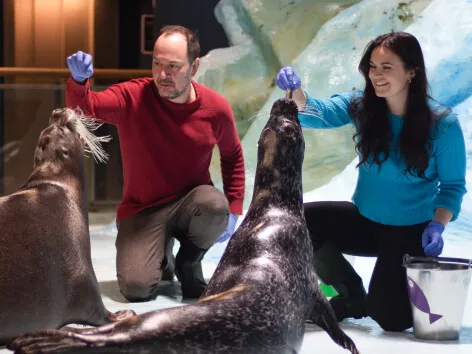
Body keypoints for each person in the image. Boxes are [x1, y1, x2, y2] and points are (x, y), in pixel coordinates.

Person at [275, 31, 467, 331]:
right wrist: (296, 91)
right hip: (366, 221)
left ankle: (389, 290)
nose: (376, 75)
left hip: (410, 231)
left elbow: (453, 187)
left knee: (391, 319)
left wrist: (437, 225)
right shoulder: (363, 106)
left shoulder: (443, 125)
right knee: (295, 222)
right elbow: (317, 113)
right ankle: (348, 293)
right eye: (372, 67)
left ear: (412, 72)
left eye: (386, 67)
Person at [65, 25, 245, 301]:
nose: (162, 74)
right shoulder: (132, 96)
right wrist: (79, 81)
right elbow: (86, 108)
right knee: (137, 288)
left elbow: (232, 155)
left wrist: (233, 206)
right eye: (157, 63)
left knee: (215, 207)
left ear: (194, 67)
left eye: (173, 66)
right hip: (142, 209)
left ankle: (189, 262)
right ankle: (162, 257)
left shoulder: (216, 108)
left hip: (192, 203)